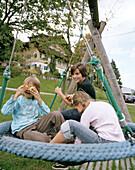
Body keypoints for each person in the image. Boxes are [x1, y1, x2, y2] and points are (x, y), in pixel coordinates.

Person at [1, 76, 64, 143]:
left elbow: (47, 113)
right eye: (27, 87)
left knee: (56, 114)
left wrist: (39, 99)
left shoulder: (36, 101)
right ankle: (51, 138)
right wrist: (16, 95)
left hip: (36, 125)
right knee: (44, 139)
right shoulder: (17, 100)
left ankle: (65, 135)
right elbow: (5, 111)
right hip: (23, 129)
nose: (28, 90)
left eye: (32, 89)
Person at [50, 91, 125, 144]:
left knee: (71, 125)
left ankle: (49, 146)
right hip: (119, 140)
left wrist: (75, 149)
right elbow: (120, 117)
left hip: (104, 142)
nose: (78, 112)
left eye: (76, 109)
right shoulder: (104, 104)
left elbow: (80, 136)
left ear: (79, 103)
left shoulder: (86, 113)